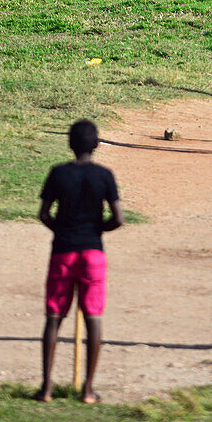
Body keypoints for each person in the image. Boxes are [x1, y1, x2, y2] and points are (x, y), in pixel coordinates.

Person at [35, 120, 125, 404]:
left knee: (54, 318)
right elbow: (118, 218)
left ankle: (47, 388)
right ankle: (88, 390)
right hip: (93, 253)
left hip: (62, 250)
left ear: (70, 144)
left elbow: (44, 214)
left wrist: (62, 230)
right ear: (96, 145)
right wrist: (97, 231)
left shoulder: (58, 173)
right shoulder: (105, 176)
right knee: (93, 318)